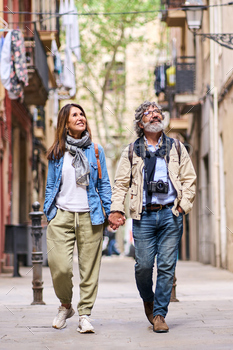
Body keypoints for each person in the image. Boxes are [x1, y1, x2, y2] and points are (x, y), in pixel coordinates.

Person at [108, 101, 196, 333]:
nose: (156, 116)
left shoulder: (176, 147)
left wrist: (182, 207)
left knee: (167, 266)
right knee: (143, 266)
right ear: (141, 123)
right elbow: (120, 185)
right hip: (143, 216)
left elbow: (189, 180)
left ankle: (159, 314)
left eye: (158, 112)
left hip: (170, 215)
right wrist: (116, 209)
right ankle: (148, 299)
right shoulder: (131, 151)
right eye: (150, 113)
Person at [44, 103, 111, 333]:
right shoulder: (57, 152)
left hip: (90, 215)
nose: (80, 117)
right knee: (60, 267)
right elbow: (51, 185)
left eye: (82, 113)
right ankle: (65, 305)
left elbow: (104, 185)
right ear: (66, 122)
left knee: (89, 269)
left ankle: (84, 314)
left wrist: (109, 212)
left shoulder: (96, 150)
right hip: (61, 215)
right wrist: (49, 213)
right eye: (75, 115)